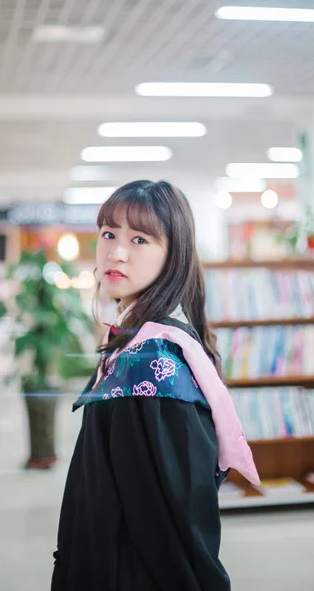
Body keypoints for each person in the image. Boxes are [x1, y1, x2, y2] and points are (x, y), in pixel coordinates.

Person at [51, 180, 259, 591]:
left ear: (173, 256)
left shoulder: (149, 360)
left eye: (140, 239)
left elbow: (170, 520)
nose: (117, 251)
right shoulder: (136, 339)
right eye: (109, 233)